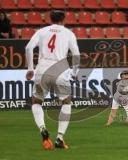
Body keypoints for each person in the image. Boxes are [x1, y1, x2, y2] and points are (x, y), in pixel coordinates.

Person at [25, 10, 80, 149]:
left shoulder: (42, 31)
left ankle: (42, 128)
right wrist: (74, 72)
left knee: (36, 101)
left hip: (41, 71)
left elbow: (28, 47)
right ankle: (60, 138)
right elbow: (76, 55)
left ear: (50, 19)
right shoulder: (68, 33)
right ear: (64, 20)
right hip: (60, 71)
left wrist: (30, 68)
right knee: (66, 102)